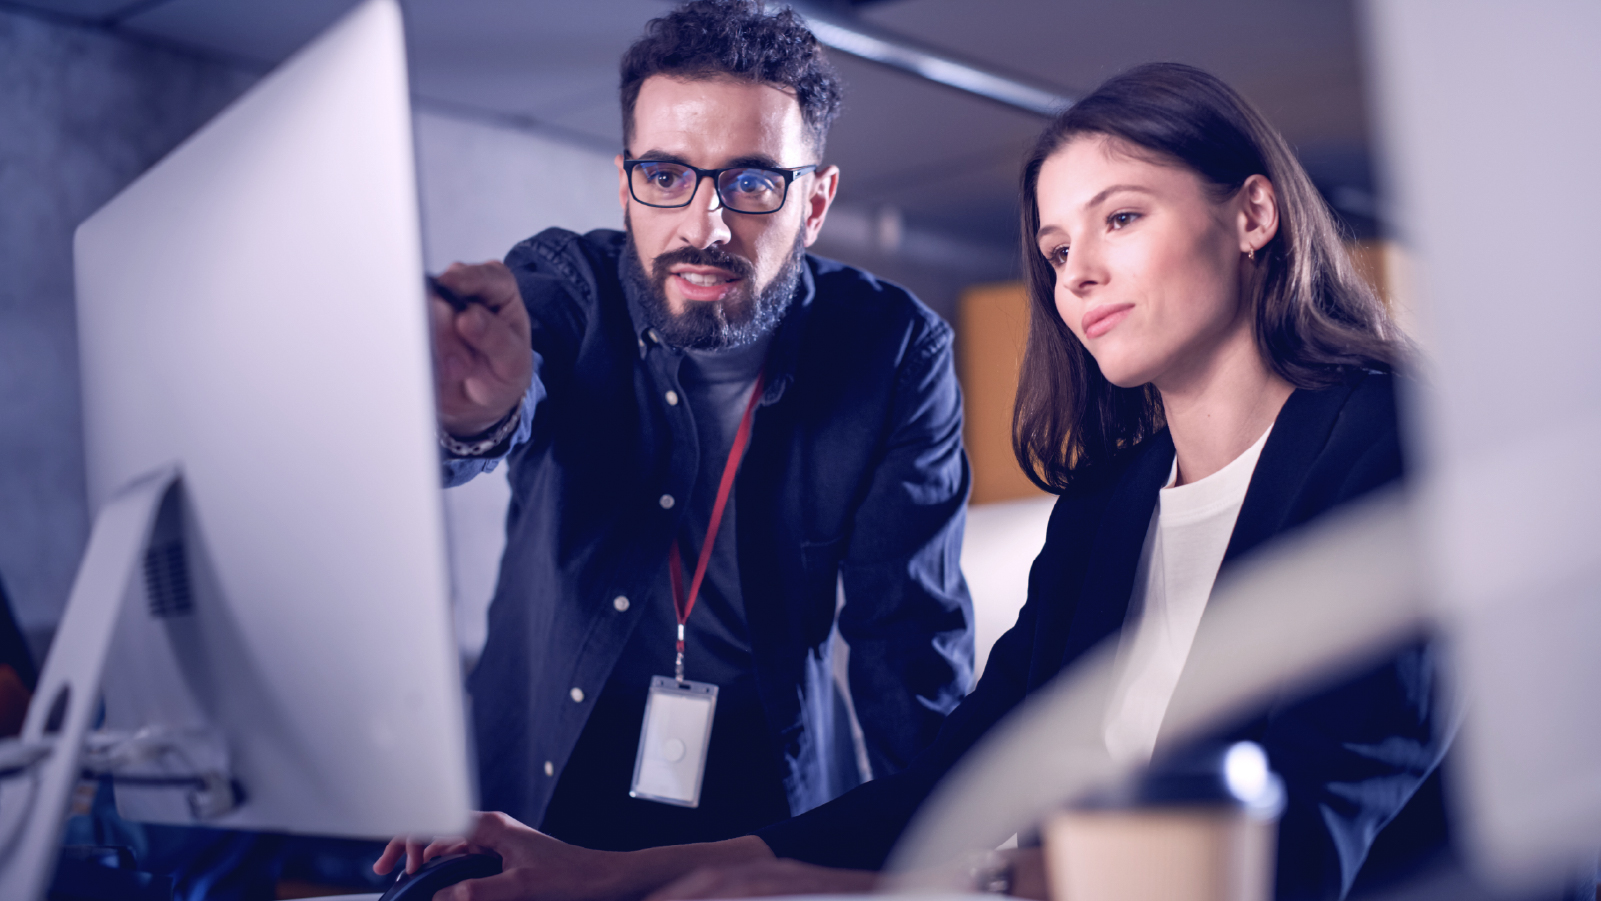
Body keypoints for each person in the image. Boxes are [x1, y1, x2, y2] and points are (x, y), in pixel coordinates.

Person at [378, 62, 1449, 901]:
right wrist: (598, 871)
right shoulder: (1107, 507)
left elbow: (1299, 850)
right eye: (1054, 244)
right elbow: (957, 780)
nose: (1075, 272)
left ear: (1252, 215)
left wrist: (839, 884)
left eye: (1120, 218)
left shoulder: (1397, 445)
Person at [424, 0, 974, 853]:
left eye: (752, 181)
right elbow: (507, 393)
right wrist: (472, 414)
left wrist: (957, 851)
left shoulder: (893, 352)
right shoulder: (565, 285)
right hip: (548, 768)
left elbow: (909, 642)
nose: (703, 226)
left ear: (816, 203)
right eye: (667, 175)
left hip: (767, 783)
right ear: (625, 184)